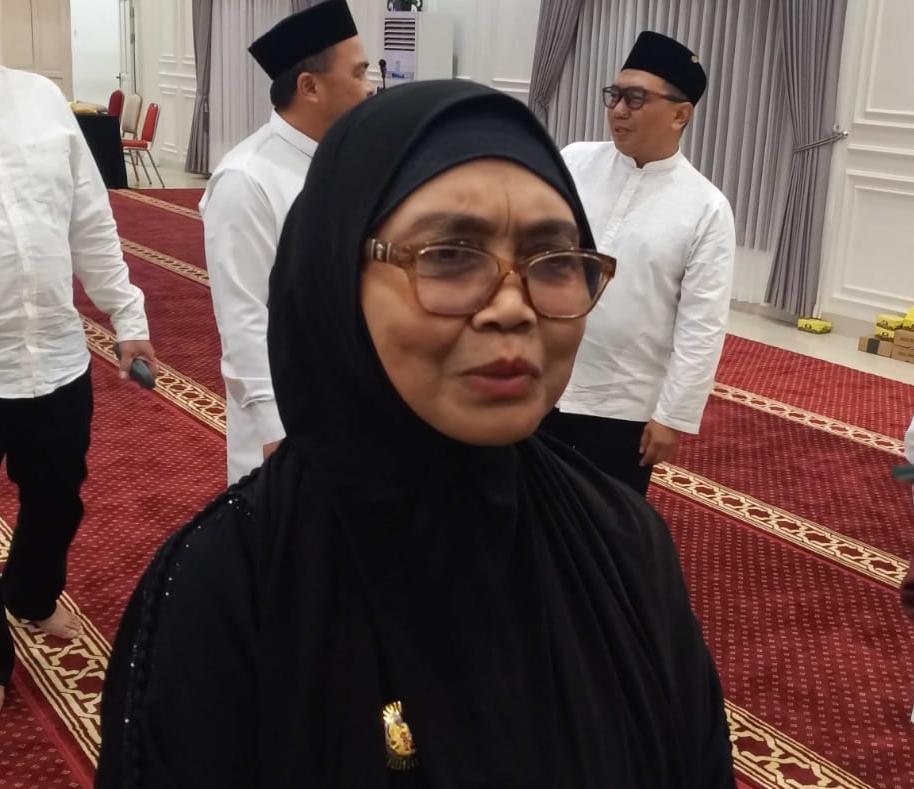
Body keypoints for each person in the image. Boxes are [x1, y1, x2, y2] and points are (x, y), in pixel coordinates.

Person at [96, 80, 735, 788]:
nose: (513, 308)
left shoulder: (621, 539)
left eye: (554, 261)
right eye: (450, 255)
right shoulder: (228, 585)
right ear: (338, 276)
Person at [0, 66, 157, 712]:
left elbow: (88, 219)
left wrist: (129, 318)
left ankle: (31, 594)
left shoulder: (39, 99)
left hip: (55, 357)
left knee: (58, 497)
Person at [541, 30, 736, 496]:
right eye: (614, 95)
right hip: (543, 377)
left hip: (622, 402)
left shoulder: (706, 207)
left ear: (680, 114)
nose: (618, 110)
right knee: (529, 505)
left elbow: (702, 324)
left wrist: (673, 416)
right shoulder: (574, 162)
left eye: (635, 98)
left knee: (607, 521)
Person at [200, 0, 374, 484]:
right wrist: (275, 426)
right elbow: (243, 316)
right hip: (293, 415)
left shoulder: (353, 158)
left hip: (363, 398)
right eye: (359, 73)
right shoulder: (246, 178)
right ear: (310, 87)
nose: (370, 87)